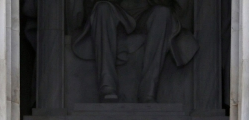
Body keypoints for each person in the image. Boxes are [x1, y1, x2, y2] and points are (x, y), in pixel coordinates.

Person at [70, 0, 198, 102]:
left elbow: (176, 7)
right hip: (114, 10)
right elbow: (89, 5)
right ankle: (107, 87)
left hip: (147, 11)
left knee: (163, 13)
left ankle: (148, 92)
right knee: (102, 9)